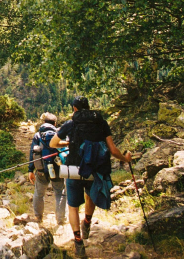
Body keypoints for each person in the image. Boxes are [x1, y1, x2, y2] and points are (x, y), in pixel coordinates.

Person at [50, 96, 132, 258]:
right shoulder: (101, 123)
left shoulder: (71, 124)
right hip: (93, 169)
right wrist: (126, 159)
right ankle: (87, 222)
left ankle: (78, 242)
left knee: (73, 207)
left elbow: (53, 144)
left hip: (74, 169)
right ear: (88, 107)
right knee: (90, 197)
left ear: (75, 109)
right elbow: (113, 150)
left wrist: (68, 144)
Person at [28, 112, 66, 225]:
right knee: (60, 193)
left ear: (44, 123)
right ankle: (60, 219)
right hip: (58, 167)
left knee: (39, 193)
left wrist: (30, 170)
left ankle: (38, 218)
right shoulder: (59, 134)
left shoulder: (38, 135)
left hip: (41, 169)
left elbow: (32, 154)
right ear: (55, 123)